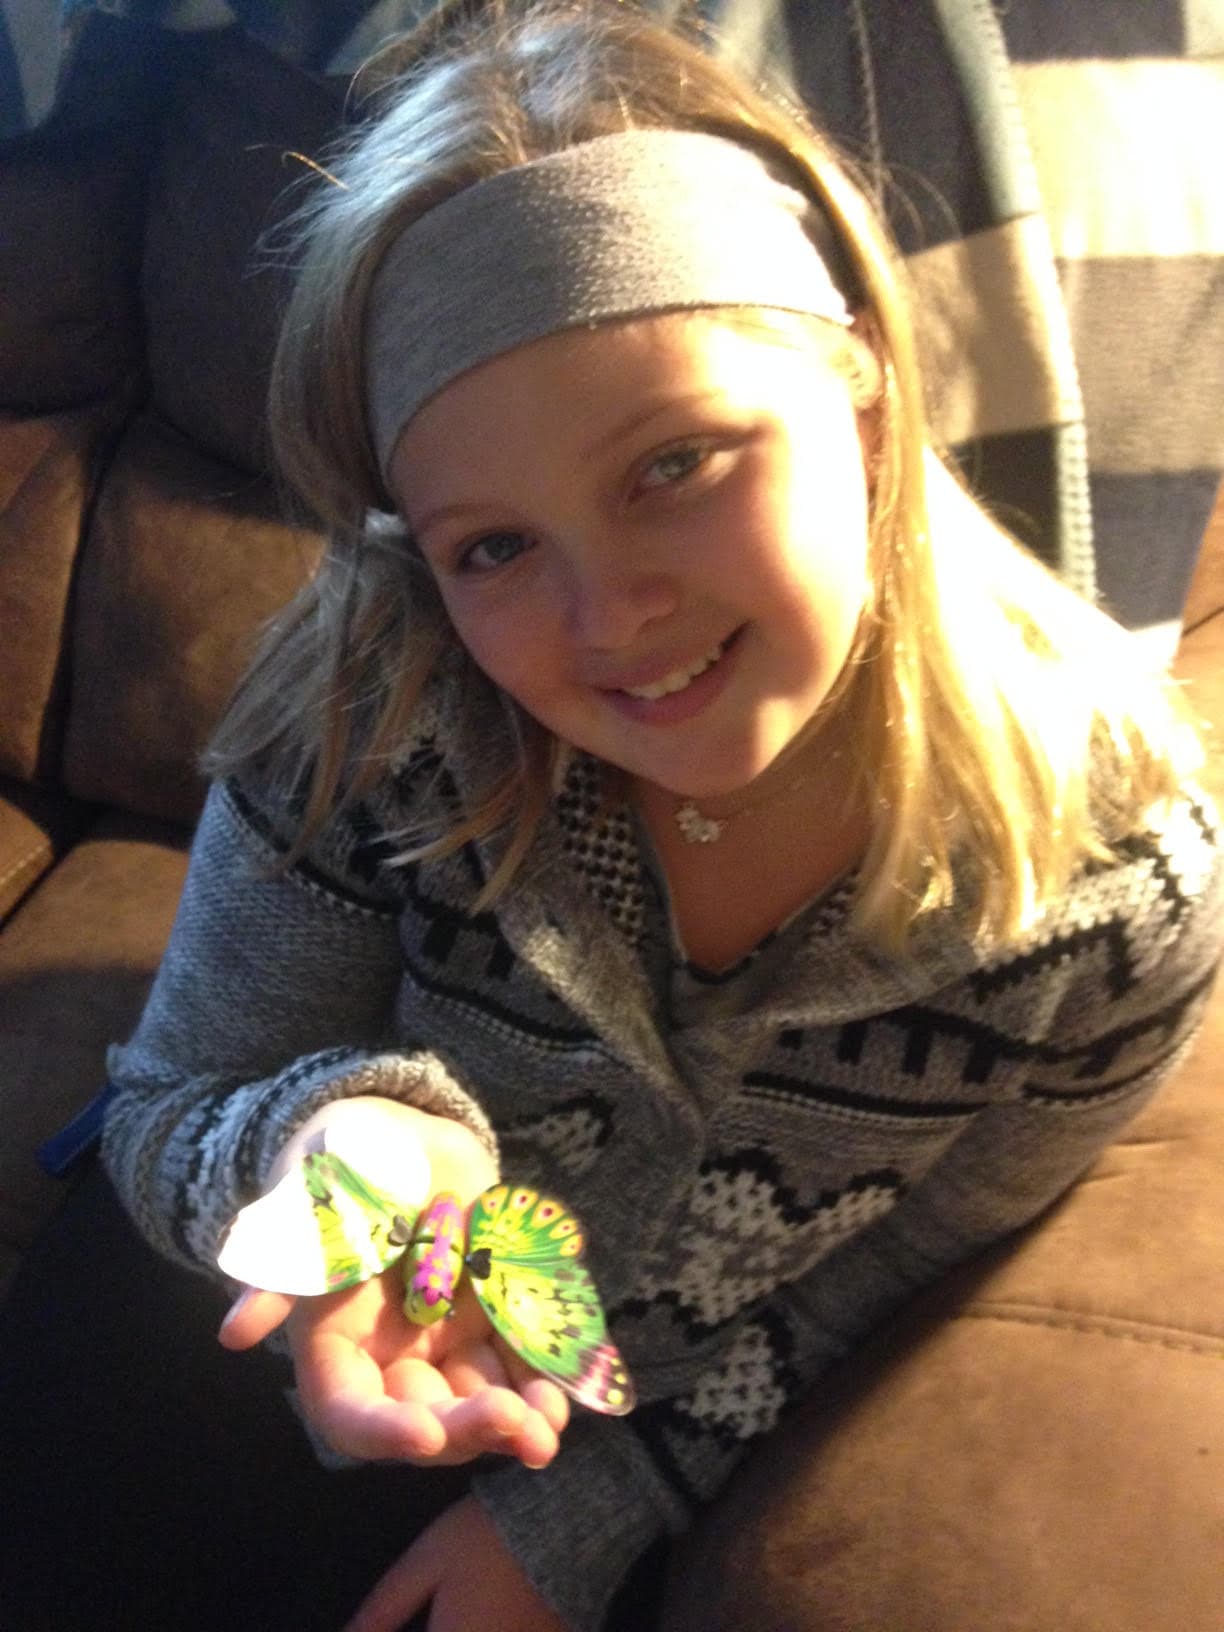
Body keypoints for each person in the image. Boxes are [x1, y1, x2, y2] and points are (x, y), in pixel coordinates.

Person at [6, 3, 1222, 1630]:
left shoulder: (1118, 897)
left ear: (865, 410)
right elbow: (170, 1107)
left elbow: (895, 1264)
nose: (612, 620)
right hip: (231, 1346)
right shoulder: (368, 714)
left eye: (676, 465)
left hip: (615, 1433)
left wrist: (579, 1521)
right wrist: (332, 1153)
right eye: (494, 547)